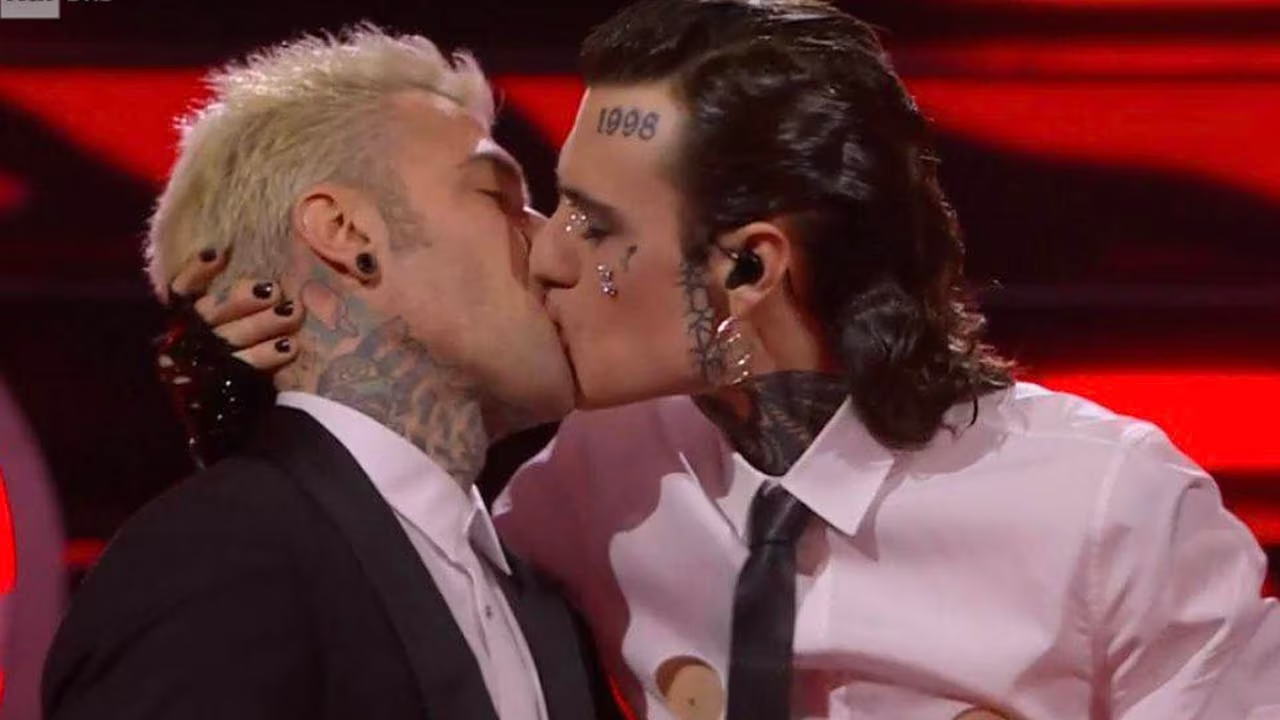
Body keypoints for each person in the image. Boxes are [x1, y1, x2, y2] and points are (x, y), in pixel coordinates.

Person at [160, 1, 1280, 718]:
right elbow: (373, 570)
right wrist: (245, 372)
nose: (546, 254)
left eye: (595, 226)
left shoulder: (1109, 509)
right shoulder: (593, 478)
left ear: (747, 270)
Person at [42, 27, 620, 720]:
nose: (553, 245)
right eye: (496, 195)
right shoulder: (219, 555)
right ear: (345, 231)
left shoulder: (547, 606)